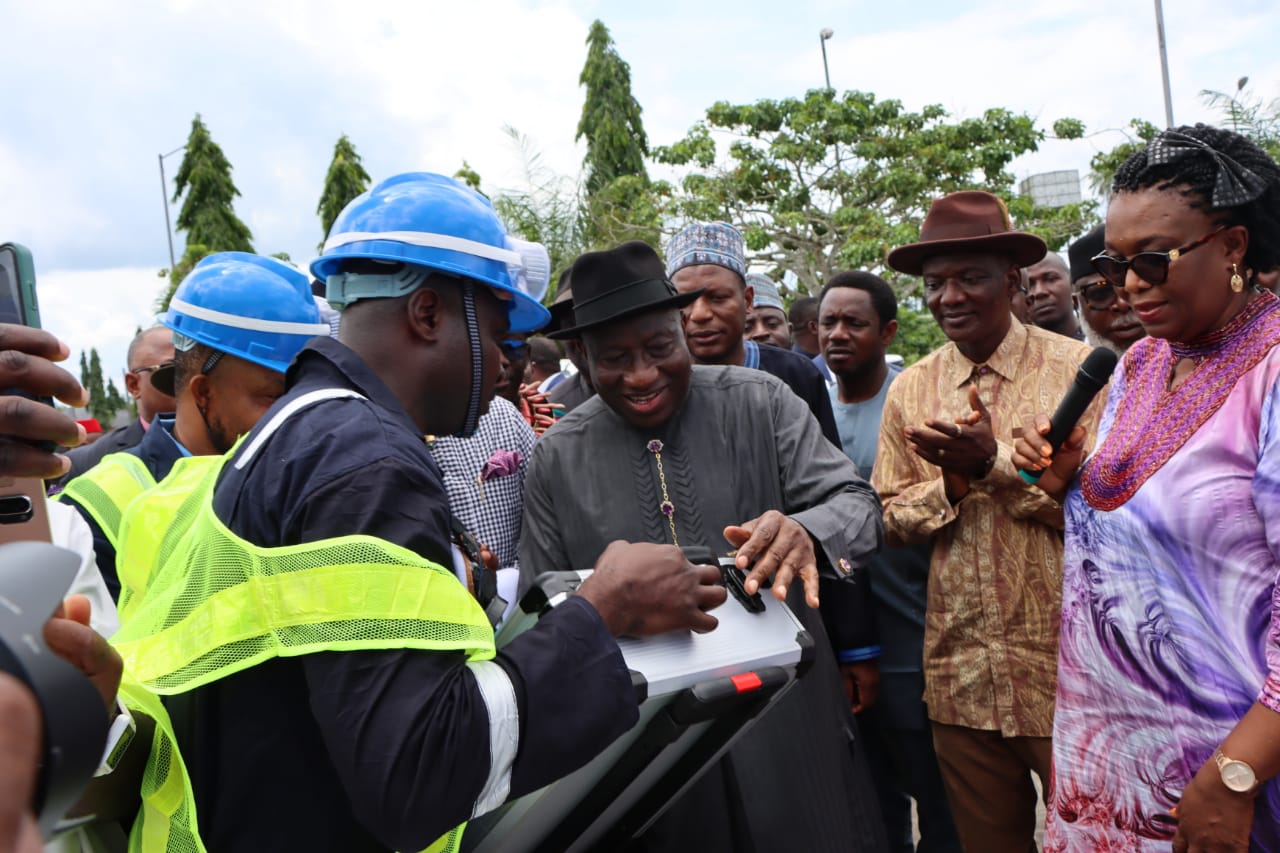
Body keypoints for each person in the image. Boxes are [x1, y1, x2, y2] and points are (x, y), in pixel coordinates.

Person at [107, 172, 726, 853]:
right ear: (428, 314)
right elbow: (415, 772)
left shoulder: (307, 434)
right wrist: (602, 612)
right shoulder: (362, 464)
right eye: (496, 331)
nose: (504, 362)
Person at [522, 239, 888, 853]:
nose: (641, 375)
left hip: (789, 719)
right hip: (650, 746)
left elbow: (860, 509)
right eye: (614, 358)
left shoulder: (762, 401)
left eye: (660, 349)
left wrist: (805, 531)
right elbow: (548, 612)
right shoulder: (556, 457)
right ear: (580, 355)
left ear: (682, 330)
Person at [1012, 124, 1280, 852]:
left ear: (1232, 245)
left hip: (1229, 772)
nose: (1131, 284)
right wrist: (1070, 479)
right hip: (1112, 767)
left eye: (1154, 260)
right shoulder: (1137, 366)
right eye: (1116, 261)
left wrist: (1235, 775)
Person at [873, 190, 1097, 853]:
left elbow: (1108, 520)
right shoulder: (911, 388)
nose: (949, 296)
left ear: (1014, 279)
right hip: (960, 678)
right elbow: (887, 518)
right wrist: (950, 482)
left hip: (1072, 675)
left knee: (1098, 840)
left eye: (969, 277)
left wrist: (994, 463)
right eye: (934, 283)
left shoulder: (1079, 372)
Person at [58, 253, 326, 601]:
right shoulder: (97, 504)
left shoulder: (302, 478)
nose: (291, 416)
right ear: (203, 392)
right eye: (273, 397)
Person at [819, 271, 963, 853]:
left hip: (912, 623)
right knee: (870, 793)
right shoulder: (811, 408)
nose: (838, 334)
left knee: (935, 788)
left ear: (888, 332)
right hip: (843, 631)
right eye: (828, 323)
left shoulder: (916, 403)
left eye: (854, 322)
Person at [666, 221, 840, 444]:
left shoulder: (796, 375)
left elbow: (830, 472)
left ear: (747, 300)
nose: (700, 315)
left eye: (718, 298)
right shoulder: (660, 380)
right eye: (686, 301)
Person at [55, 326, 175, 485]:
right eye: (172, 370)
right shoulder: (87, 464)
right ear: (134, 385)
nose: (191, 379)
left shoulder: (217, 449)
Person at [1067, 224, 1145, 354]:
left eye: (1133, 288)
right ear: (1077, 303)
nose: (1122, 304)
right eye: (1100, 294)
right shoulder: (1064, 369)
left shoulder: (1186, 366)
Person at [1024, 251, 1083, 339]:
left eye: (1050, 279)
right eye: (1030, 284)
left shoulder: (1102, 341)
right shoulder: (1015, 350)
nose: (1039, 292)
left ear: (1072, 284)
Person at [745, 272, 792, 349]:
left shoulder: (805, 361)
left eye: (772, 324)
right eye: (746, 328)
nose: (761, 333)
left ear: (789, 331)